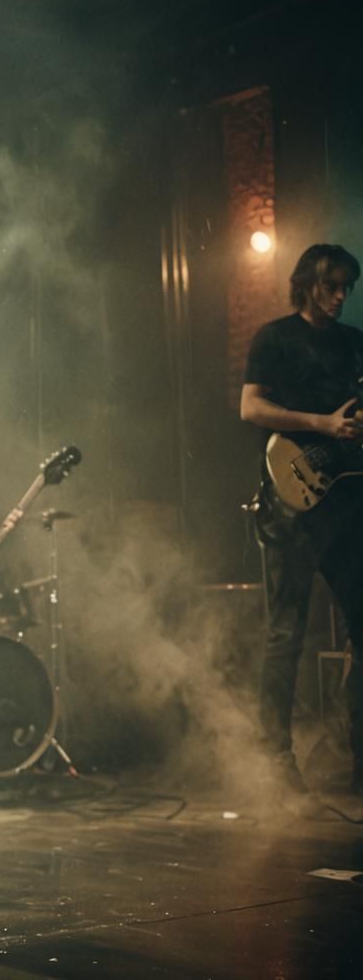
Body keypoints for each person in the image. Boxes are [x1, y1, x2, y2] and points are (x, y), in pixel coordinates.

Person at [240, 243, 363, 794]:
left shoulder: (355, 346)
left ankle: (347, 748)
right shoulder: (276, 338)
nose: (340, 297)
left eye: (346, 289)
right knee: (286, 633)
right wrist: (322, 424)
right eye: (330, 286)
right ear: (306, 283)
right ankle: (276, 760)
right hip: (292, 502)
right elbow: (251, 408)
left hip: (347, 505)